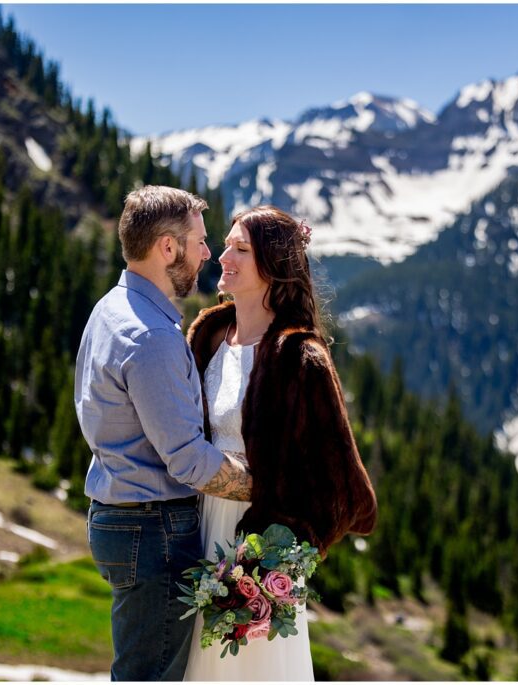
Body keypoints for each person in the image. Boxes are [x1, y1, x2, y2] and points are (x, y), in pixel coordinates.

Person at [183, 205, 378, 681]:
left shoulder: (301, 357)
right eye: (226, 245)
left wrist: (278, 559)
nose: (223, 256)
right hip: (192, 533)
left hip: (253, 546)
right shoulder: (208, 337)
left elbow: (342, 487)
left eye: (241, 249)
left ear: (273, 265)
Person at [75, 185, 253, 681]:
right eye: (199, 241)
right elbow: (189, 461)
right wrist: (267, 485)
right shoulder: (151, 336)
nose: (208, 253)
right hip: (153, 531)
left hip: (122, 515)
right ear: (167, 247)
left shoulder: (111, 308)